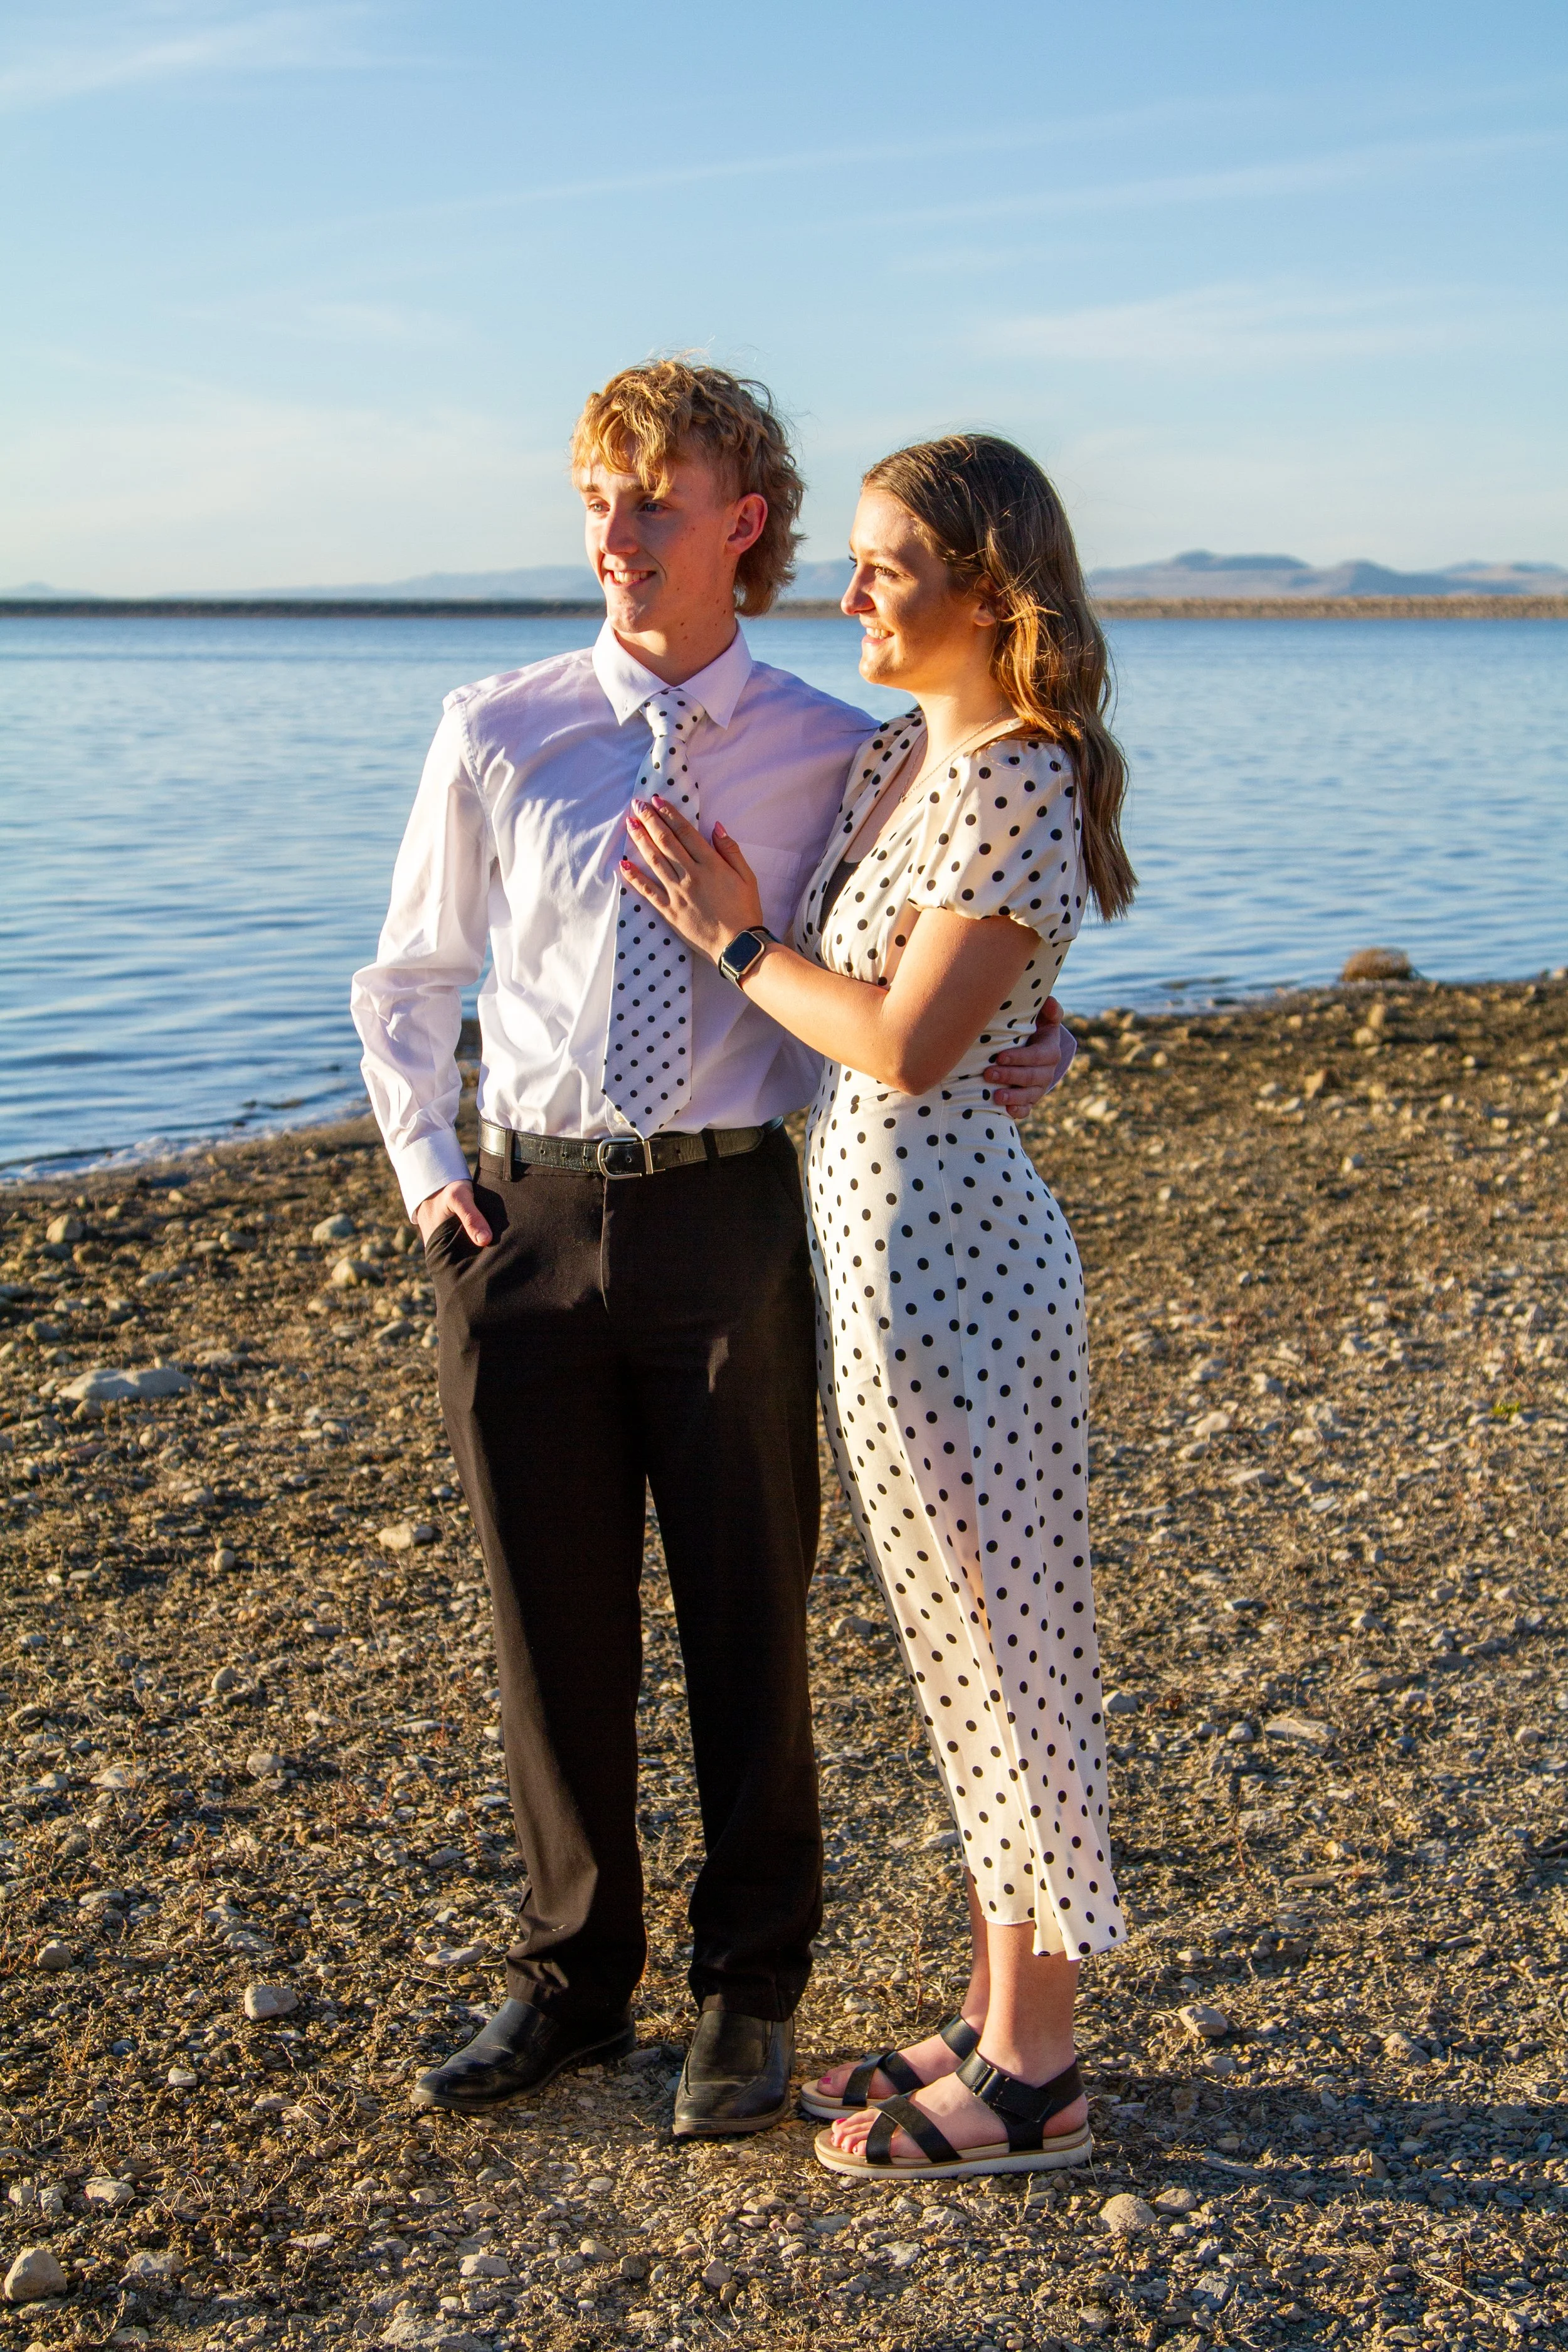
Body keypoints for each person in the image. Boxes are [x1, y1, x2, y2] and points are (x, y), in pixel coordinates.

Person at [349, 366, 1072, 2136]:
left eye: (649, 501)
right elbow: (409, 978)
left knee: (752, 1611)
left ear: (740, 521)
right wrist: (433, 1169)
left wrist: (1034, 1038)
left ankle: (747, 1992)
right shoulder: (498, 724)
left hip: (735, 1214)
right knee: (552, 1619)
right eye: (594, 498)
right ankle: (570, 1982)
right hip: (519, 1220)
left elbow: (946, 946)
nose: (612, 534)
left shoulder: (852, 744)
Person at [618, 429, 1136, 2180]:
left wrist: (735, 940)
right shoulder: (908, 757)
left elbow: (910, 1044)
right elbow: (957, 1013)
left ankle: (1040, 2075)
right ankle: (997, 2019)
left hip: (964, 1274)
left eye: (887, 567)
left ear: (988, 591)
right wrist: (1026, 1032)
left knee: (1016, 1652)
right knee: (953, 1651)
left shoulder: (1022, 778)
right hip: (880, 1258)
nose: (848, 593)